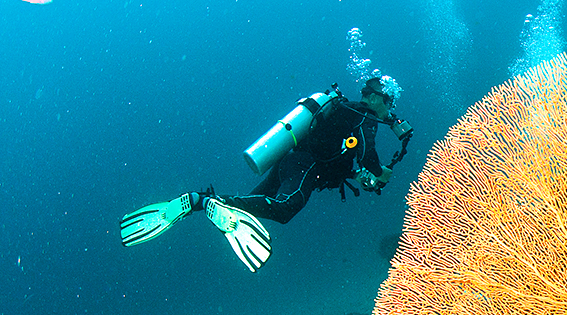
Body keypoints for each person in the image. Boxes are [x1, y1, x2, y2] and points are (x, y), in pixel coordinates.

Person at [119, 77, 413, 271]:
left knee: (251, 202)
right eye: (390, 102)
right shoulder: (365, 117)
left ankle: (200, 201)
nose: (391, 110)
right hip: (306, 165)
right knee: (286, 208)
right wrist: (381, 173)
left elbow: (348, 154)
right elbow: (367, 155)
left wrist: (361, 172)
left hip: (288, 158)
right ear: (379, 99)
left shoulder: (343, 109)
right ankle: (207, 203)